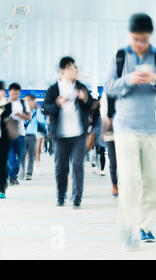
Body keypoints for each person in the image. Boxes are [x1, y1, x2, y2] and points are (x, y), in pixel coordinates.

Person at [105, 13, 156, 248]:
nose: (140, 44)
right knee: (129, 179)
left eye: (144, 39)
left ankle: (145, 225)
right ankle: (128, 226)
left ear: (151, 37)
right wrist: (129, 80)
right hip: (126, 128)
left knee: (153, 180)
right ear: (130, 35)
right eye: (137, 39)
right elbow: (109, 87)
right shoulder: (119, 57)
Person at [43, 56, 93, 208]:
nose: (76, 70)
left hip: (78, 134)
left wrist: (85, 99)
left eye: (76, 68)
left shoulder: (81, 87)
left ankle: (77, 198)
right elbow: (46, 107)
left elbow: (91, 106)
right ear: (64, 70)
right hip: (60, 135)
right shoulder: (53, 89)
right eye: (73, 68)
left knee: (78, 165)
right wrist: (57, 104)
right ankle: (61, 195)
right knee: (61, 168)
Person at [7, 83, 31, 185]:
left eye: (17, 94)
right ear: (9, 92)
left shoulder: (23, 103)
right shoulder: (4, 103)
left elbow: (29, 117)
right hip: (8, 135)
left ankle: (13, 175)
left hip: (21, 134)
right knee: (11, 158)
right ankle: (12, 177)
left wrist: (20, 115)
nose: (15, 96)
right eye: (13, 94)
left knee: (20, 158)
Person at [21, 95, 46, 180]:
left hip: (32, 136)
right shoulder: (22, 111)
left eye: (28, 101)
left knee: (31, 155)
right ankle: (21, 171)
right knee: (22, 155)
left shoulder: (37, 111)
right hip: (22, 135)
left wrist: (38, 110)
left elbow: (42, 121)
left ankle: (29, 173)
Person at [100, 92, 119, 197]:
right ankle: (115, 185)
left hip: (126, 129)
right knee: (113, 160)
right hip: (111, 131)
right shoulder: (107, 93)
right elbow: (103, 112)